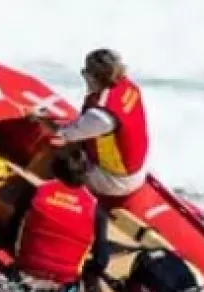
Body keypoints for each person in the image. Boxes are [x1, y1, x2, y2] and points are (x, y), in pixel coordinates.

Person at [6, 149, 111, 292]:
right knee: (91, 276)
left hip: (23, 279)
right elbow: (102, 260)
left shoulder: (36, 192)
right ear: (85, 175)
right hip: (61, 291)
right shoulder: (97, 211)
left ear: (54, 169)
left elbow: (11, 230)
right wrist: (87, 272)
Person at [45, 48, 150, 198]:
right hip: (137, 169)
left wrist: (42, 119)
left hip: (114, 181)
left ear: (93, 77)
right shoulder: (129, 87)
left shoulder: (101, 115)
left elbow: (64, 134)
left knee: (60, 160)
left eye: (85, 72)